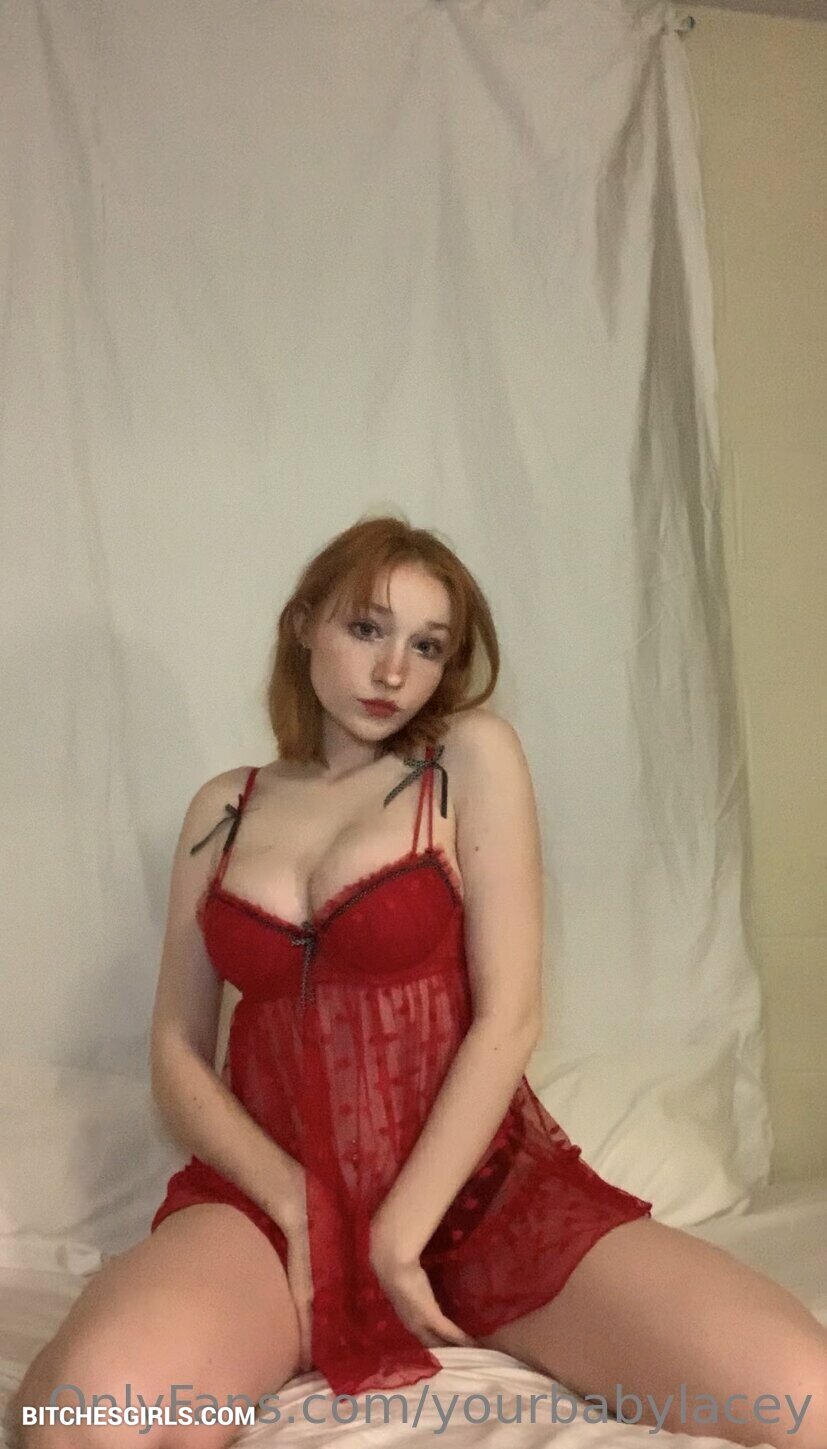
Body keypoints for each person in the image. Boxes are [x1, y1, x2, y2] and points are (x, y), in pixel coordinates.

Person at [11, 515, 827, 1449]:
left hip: (482, 1198)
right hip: (270, 1211)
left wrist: (397, 1233)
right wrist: (297, 1204)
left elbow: (509, 1016)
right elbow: (175, 1050)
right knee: (79, 1420)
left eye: (427, 645)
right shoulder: (223, 809)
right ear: (304, 623)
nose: (393, 670)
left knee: (803, 1394)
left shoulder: (467, 759)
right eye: (367, 628)